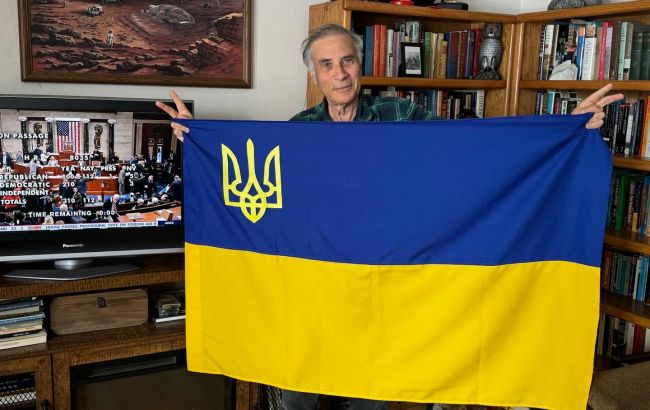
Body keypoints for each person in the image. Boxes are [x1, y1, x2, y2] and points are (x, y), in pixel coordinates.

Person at [156, 23, 624, 410]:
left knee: (372, 399)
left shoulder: (398, 114)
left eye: (347, 61)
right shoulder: (299, 133)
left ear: (359, 65)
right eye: (327, 65)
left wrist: (567, 127)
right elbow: (253, 179)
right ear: (314, 76)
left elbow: (470, 150)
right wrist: (197, 141)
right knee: (297, 396)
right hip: (314, 296)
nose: (340, 74)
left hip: (382, 298)